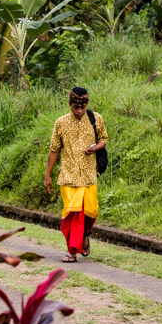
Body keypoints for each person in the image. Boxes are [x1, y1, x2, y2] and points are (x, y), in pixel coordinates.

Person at [44, 87, 108, 263]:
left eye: (83, 106)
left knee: (91, 211)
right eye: (75, 107)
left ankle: (85, 236)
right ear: (69, 104)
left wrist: (95, 148)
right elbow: (54, 149)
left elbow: (104, 139)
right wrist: (47, 175)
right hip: (68, 177)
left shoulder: (96, 119)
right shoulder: (61, 122)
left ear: (87, 104)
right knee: (72, 214)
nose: (79, 110)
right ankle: (72, 251)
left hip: (89, 175)